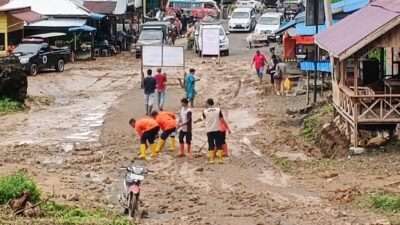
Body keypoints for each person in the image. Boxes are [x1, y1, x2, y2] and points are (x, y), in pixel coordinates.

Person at [195, 98, 226, 164]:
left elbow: (201, 119)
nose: (205, 104)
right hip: (217, 130)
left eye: (206, 103)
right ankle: (221, 159)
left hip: (209, 130)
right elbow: (222, 119)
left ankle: (211, 160)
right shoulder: (218, 110)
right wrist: (226, 127)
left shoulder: (205, 111)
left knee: (211, 144)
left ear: (208, 103)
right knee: (218, 144)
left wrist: (196, 121)